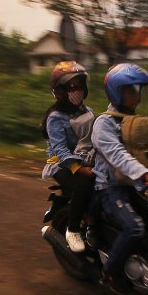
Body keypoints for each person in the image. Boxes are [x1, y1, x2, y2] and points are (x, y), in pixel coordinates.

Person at [91, 63, 148, 293]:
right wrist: (145, 174)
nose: (136, 96)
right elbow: (117, 154)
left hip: (136, 184)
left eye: (137, 91)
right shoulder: (104, 123)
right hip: (111, 187)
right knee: (135, 227)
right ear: (116, 91)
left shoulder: (135, 121)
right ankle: (110, 272)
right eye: (130, 91)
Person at [40, 61, 96, 253]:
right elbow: (60, 151)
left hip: (85, 158)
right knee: (83, 185)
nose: (77, 90)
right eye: (72, 86)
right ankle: (73, 230)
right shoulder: (55, 117)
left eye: (80, 85)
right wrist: (79, 169)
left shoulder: (86, 111)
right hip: (60, 163)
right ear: (60, 90)